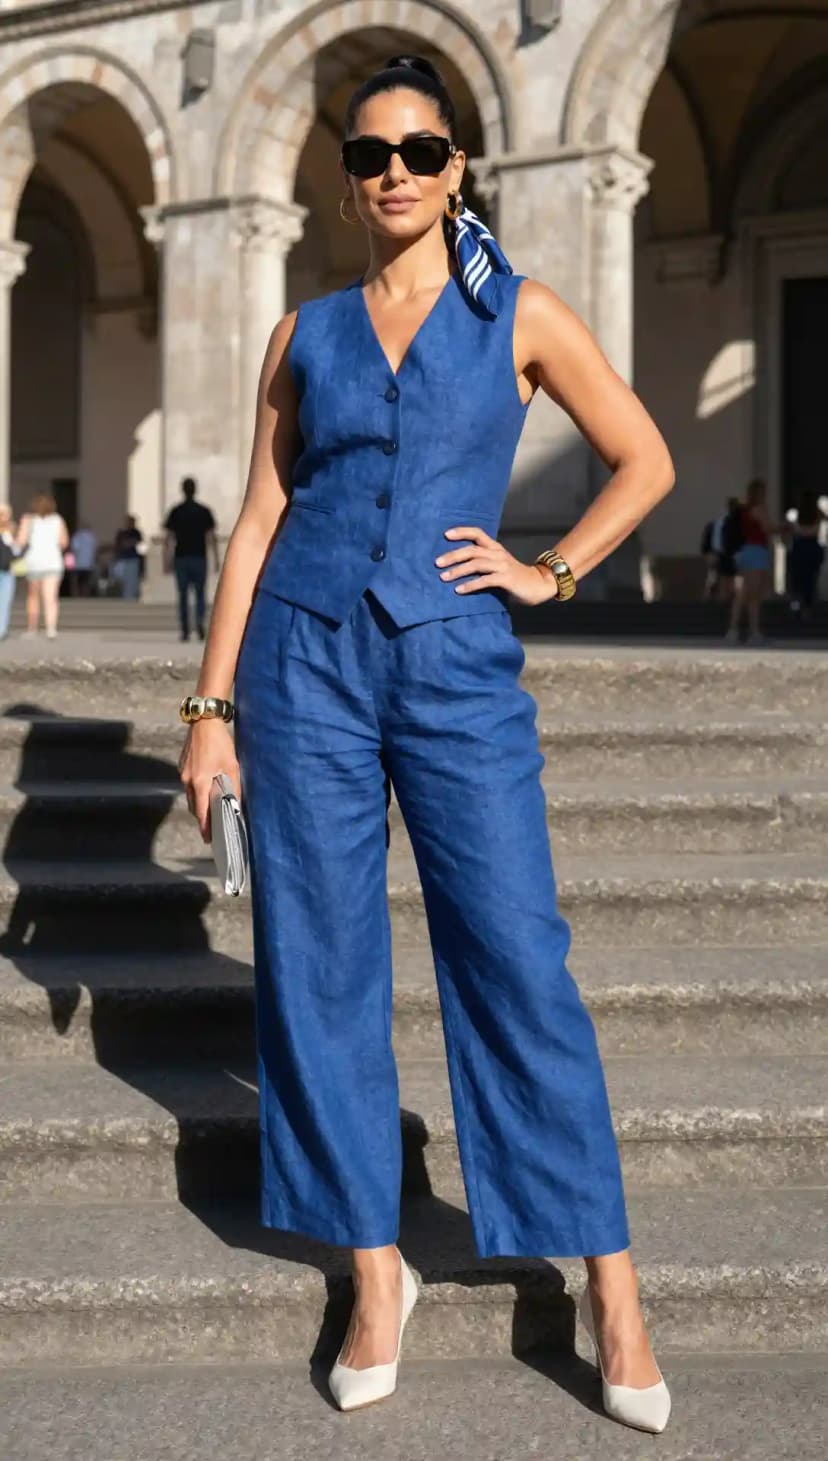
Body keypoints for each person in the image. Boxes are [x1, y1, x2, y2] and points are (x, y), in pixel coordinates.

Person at [177, 55, 675, 1433]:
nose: (393, 168)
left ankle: (610, 1283)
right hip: (303, 666)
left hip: (458, 670)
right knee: (322, 970)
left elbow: (644, 458)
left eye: (420, 146)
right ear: (346, 182)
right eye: (370, 152)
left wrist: (550, 569)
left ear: (460, 167)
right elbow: (261, 524)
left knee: (518, 954)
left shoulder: (520, 311)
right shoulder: (305, 335)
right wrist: (211, 710)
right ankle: (373, 1267)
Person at [725, 478, 785, 645]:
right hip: (756, 551)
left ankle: (747, 630)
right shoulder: (758, 508)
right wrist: (784, 528)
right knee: (751, 595)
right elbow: (767, 528)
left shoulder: (745, 509)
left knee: (748, 594)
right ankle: (743, 631)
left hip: (748, 551)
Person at [163, 477, 218, 641]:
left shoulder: (176, 511)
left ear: (183, 489)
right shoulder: (203, 511)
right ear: (195, 490)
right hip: (199, 557)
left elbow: (169, 538)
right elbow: (211, 536)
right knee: (200, 594)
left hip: (181, 557)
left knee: (183, 595)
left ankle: (185, 629)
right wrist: (216, 557)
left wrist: (166, 559)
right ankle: (200, 622)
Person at [13, 491, 69, 639]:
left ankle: (32, 628)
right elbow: (64, 542)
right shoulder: (58, 520)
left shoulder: (28, 519)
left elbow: (21, 541)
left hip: (34, 562)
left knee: (33, 597)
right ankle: (51, 629)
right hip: (53, 562)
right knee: (51, 598)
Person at [786, 490, 825, 626]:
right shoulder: (817, 514)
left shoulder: (794, 514)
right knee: (810, 579)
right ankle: (807, 609)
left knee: (797, 579)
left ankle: (795, 604)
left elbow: (789, 529)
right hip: (812, 546)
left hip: (799, 547)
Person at [111, 514, 143, 600]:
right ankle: (124, 596)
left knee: (132, 580)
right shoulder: (121, 533)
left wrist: (129, 543)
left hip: (132, 558)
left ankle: (131, 597)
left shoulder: (136, 532)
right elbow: (118, 545)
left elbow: (137, 542)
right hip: (123, 558)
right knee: (122, 579)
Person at [0, 503, 18, 638]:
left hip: (7, 569)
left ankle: (2, 629)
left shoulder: (11, 530)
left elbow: (15, 549)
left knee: (5, 600)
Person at [69, 522, 98, 596]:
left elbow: (74, 548)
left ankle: (77, 596)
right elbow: (94, 550)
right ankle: (85, 596)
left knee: (78, 582)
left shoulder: (77, 536)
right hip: (88, 564)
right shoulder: (91, 537)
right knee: (86, 582)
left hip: (79, 564)